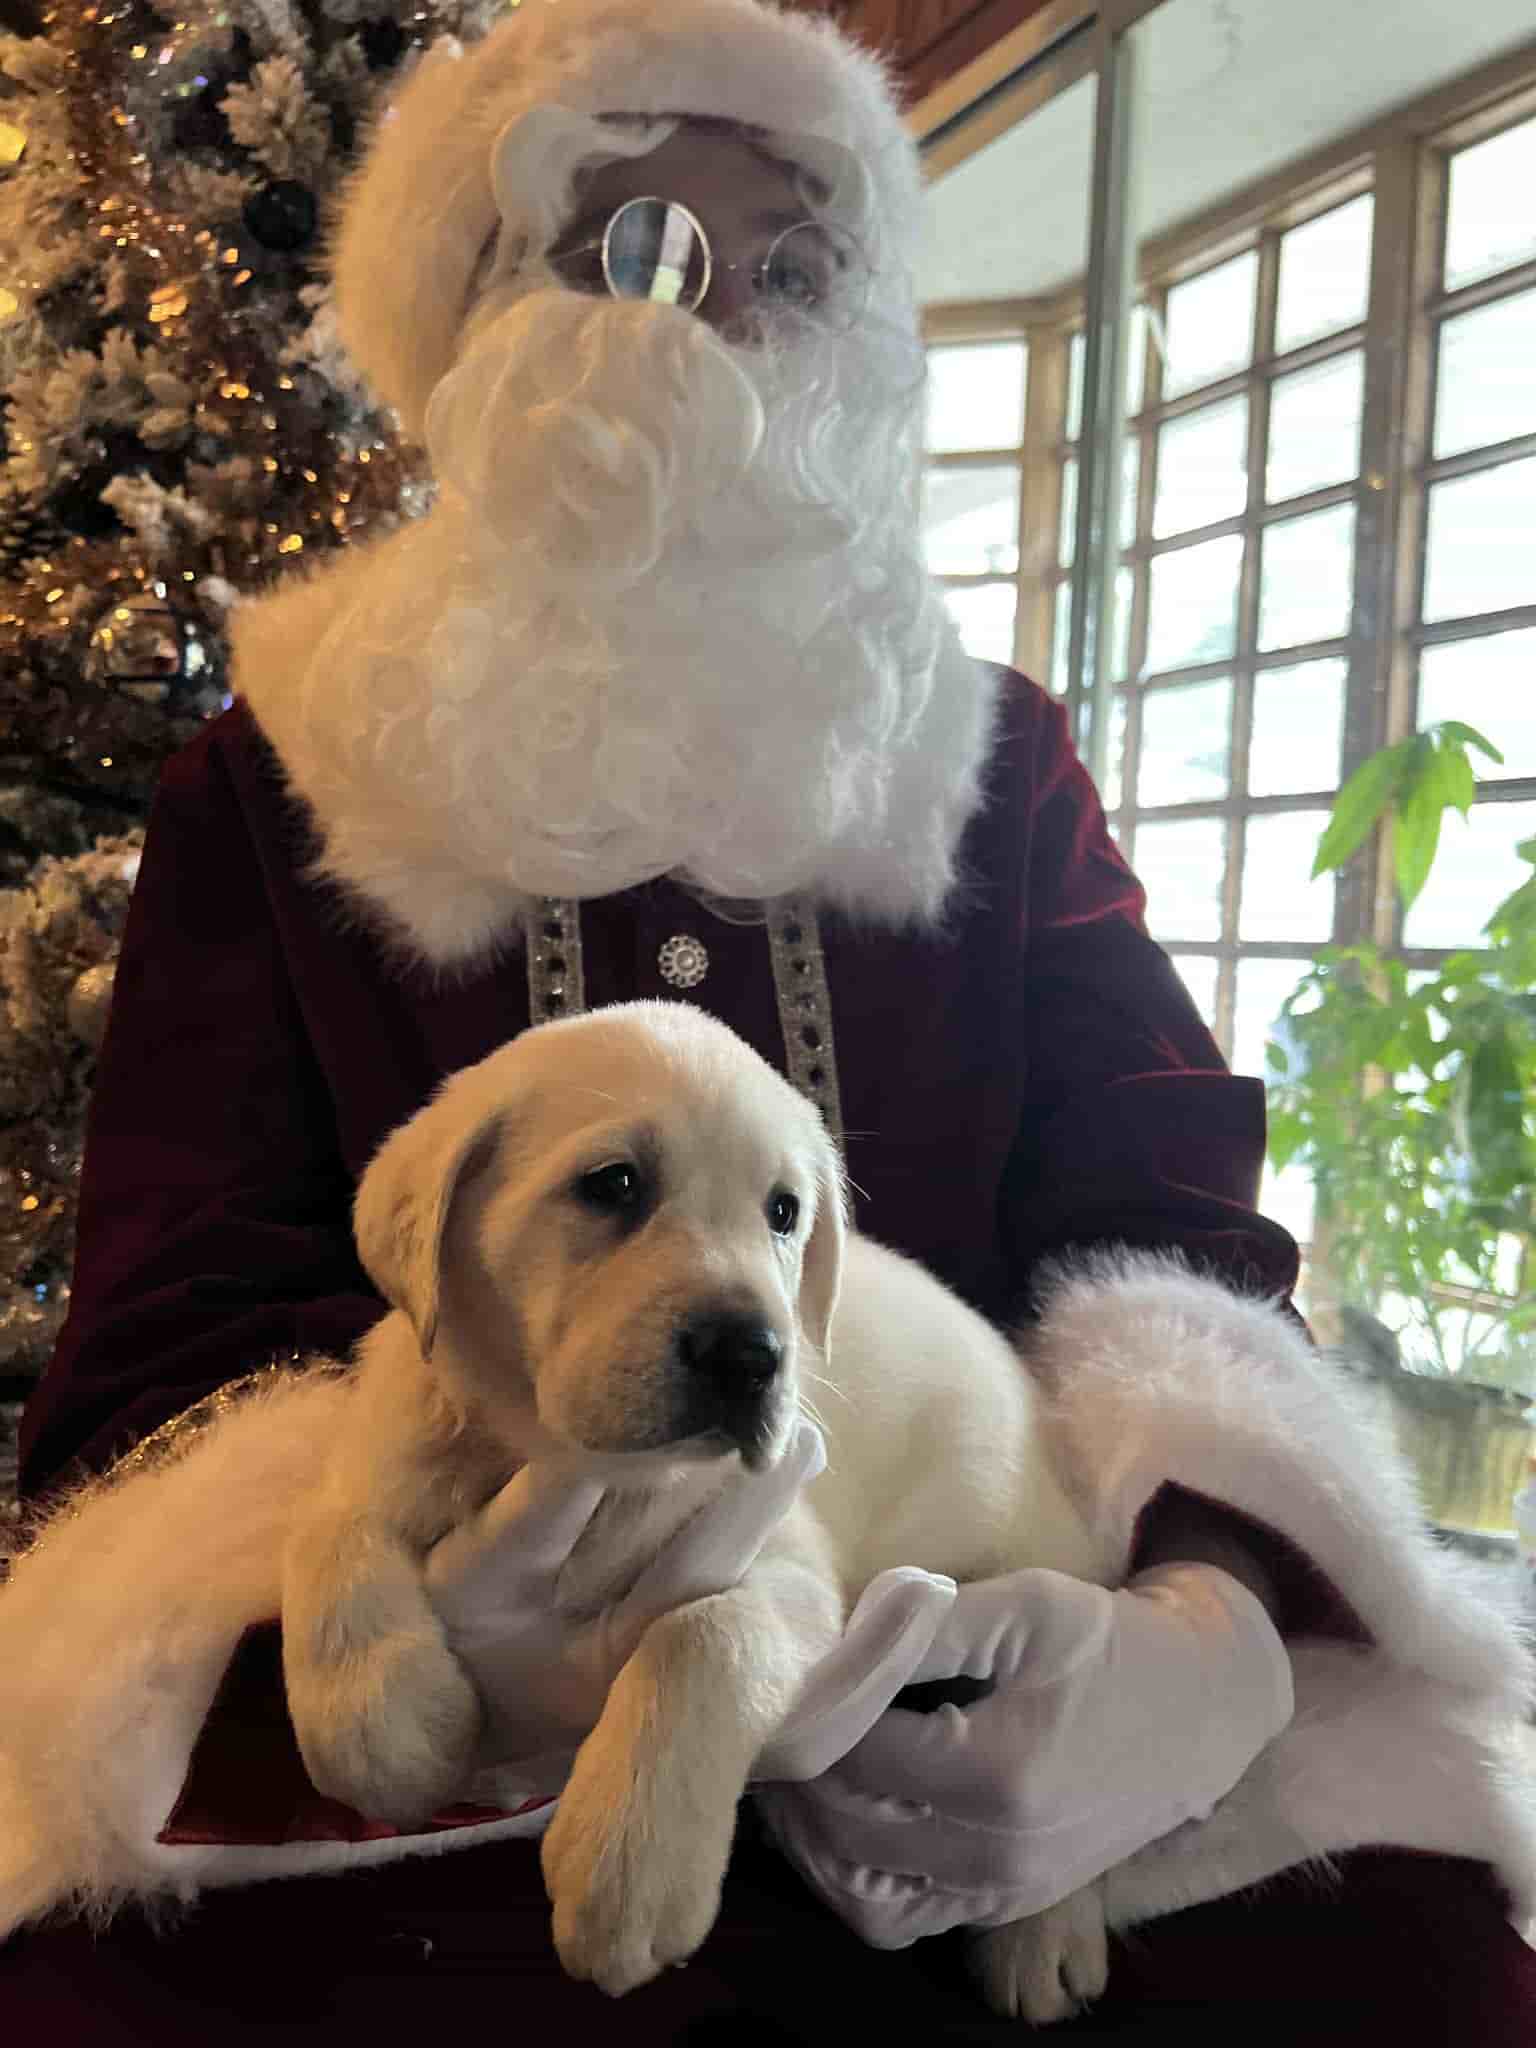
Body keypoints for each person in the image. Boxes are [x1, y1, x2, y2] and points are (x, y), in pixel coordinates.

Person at [5, 0, 1535, 2038]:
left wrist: (1202, 1612)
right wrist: (437, 1611)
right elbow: (182, 1303)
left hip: (982, 1593)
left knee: (1410, 1966)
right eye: (627, 251)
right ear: (478, 307)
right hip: (466, 1636)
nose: (701, 329)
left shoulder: (996, 755)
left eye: (791, 266)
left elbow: (1165, 1193)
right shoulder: (273, 781)